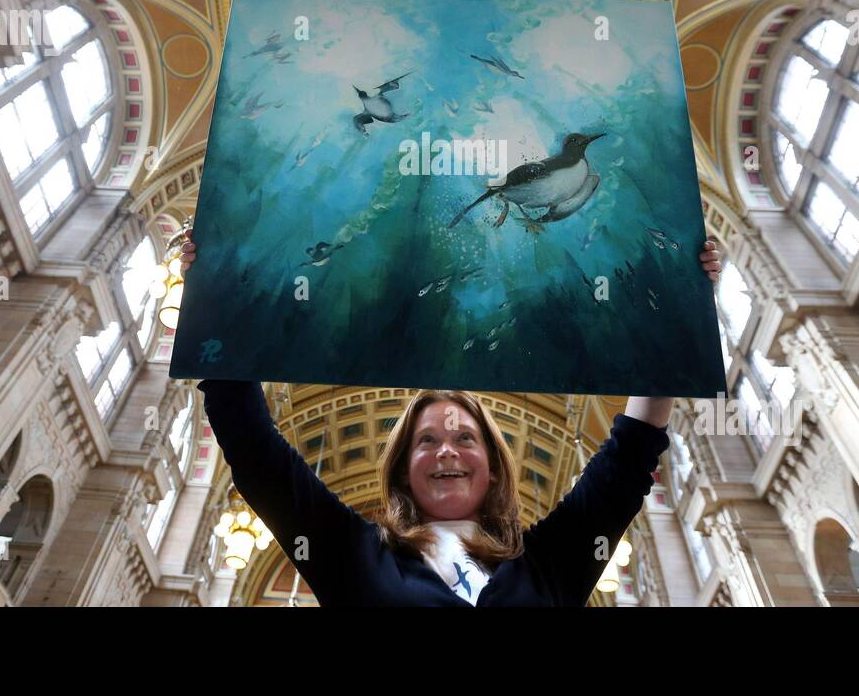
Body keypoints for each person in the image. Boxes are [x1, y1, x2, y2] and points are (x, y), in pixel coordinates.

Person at [181, 233, 723, 606]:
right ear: (401, 469)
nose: (446, 450)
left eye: (465, 437)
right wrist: (215, 296)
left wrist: (680, 301)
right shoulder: (353, 553)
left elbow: (632, 452)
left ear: (492, 466)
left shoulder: (551, 560)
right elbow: (253, 447)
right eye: (428, 440)